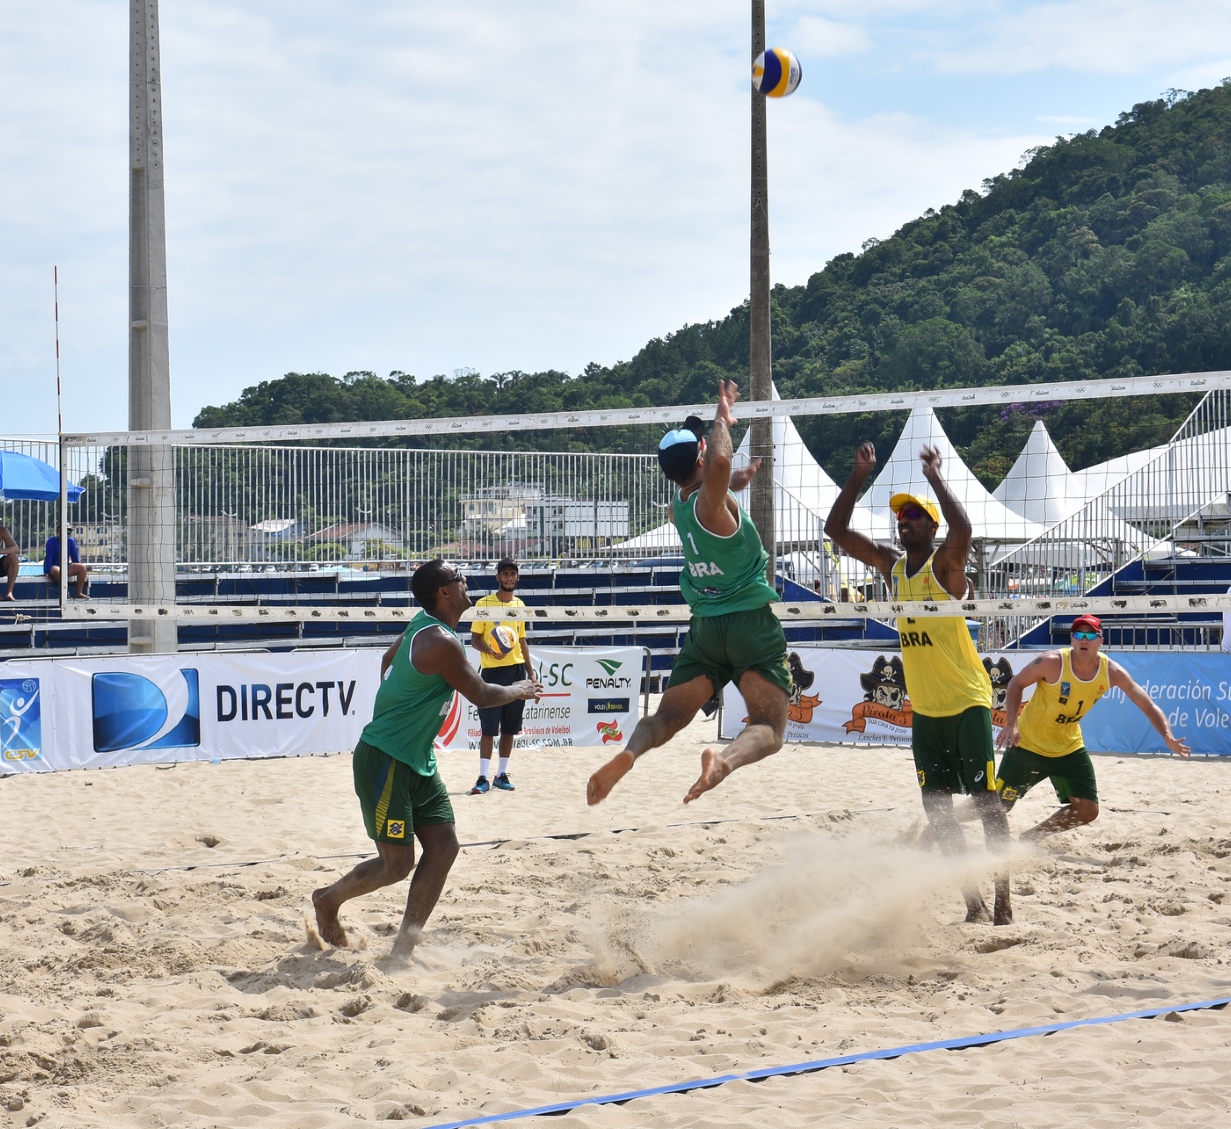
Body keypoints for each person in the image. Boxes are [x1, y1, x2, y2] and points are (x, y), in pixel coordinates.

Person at [311, 559, 540, 960]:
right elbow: (484, 695)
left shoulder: (424, 624)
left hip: (416, 758)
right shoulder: (440, 642)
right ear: (444, 593)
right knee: (397, 864)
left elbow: (387, 662)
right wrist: (520, 687)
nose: (467, 581)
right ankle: (327, 900)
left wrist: (408, 701)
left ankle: (403, 949)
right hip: (385, 758)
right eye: (459, 578)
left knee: (445, 847)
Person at [826, 439, 1014, 925]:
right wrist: (858, 476)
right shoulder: (892, 567)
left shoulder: (945, 567)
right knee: (938, 809)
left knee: (986, 801)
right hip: (927, 710)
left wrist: (934, 477)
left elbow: (965, 528)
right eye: (901, 515)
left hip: (968, 701)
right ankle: (970, 900)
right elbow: (835, 530)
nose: (903, 519)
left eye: (914, 515)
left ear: (931, 525)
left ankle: (1003, 901)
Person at [585, 380, 789, 807]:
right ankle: (724, 762)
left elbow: (716, 479)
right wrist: (721, 416)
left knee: (664, 719)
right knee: (770, 727)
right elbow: (717, 464)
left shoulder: (680, 502)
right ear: (699, 453)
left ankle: (630, 752)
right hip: (748, 622)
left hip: (705, 629)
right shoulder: (708, 502)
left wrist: (742, 477)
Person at [997, 615, 1189, 841]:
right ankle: (949, 817)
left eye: (1090, 635)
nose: (1084, 640)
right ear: (1072, 639)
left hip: (1067, 748)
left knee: (1088, 809)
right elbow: (1016, 683)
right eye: (1079, 634)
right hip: (1028, 745)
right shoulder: (1052, 662)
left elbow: (1148, 706)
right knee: (995, 807)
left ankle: (1032, 837)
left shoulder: (1111, 671)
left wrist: (1167, 735)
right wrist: (1011, 723)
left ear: (1101, 640)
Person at [469, 558, 532, 795]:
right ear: (498, 577)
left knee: (510, 728)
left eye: (512, 574)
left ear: (517, 578)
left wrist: (531, 676)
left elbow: (523, 642)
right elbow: (474, 640)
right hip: (492, 673)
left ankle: (501, 774)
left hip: (516, 671)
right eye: (504, 574)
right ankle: (482, 777)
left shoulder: (519, 604)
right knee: (488, 728)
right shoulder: (484, 604)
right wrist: (490, 651)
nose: (508, 578)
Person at [44, 530, 89, 599]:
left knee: (82, 567)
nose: (67, 534)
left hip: (66, 566)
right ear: (58, 532)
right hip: (54, 566)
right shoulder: (51, 541)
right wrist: (46, 571)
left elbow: (75, 558)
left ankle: (79, 593)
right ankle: (65, 592)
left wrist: (77, 567)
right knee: (57, 570)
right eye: (65, 532)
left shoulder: (71, 541)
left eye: (69, 533)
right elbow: (48, 557)